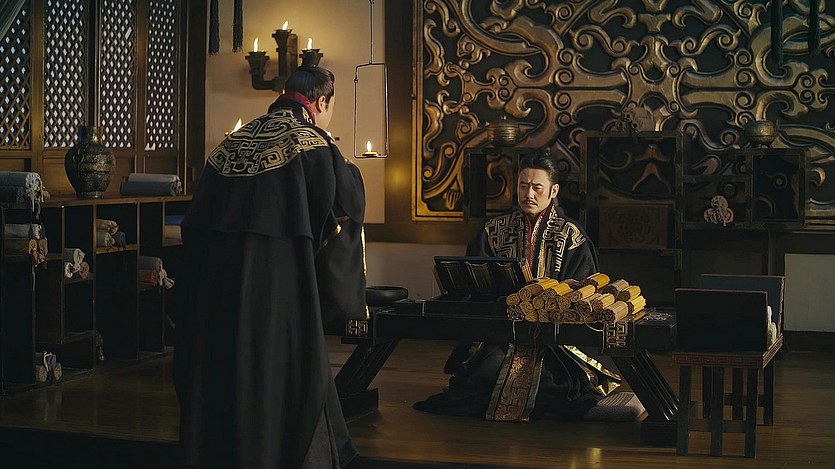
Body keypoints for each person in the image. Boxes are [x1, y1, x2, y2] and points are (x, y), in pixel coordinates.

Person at [175, 65, 365, 469]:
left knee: (223, 372)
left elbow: (193, 227)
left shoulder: (230, 145)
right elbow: (343, 207)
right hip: (280, 289)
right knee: (282, 375)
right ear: (322, 102)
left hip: (216, 294)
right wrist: (351, 174)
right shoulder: (313, 143)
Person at [413, 151, 621, 420]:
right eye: (523, 186)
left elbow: (584, 291)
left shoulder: (571, 235)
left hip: (554, 339)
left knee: (555, 386)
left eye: (537, 187)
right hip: (503, 332)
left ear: (553, 191)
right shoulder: (494, 230)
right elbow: (473, 283)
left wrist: (551, 294)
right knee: (484, 378)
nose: (528, 194)